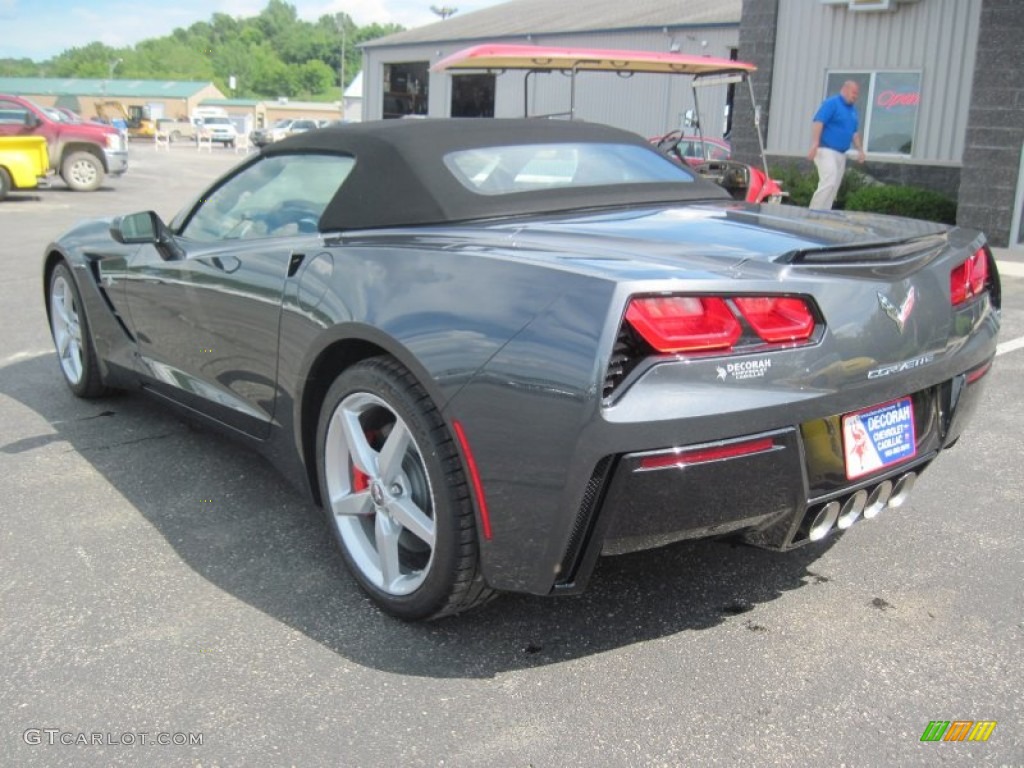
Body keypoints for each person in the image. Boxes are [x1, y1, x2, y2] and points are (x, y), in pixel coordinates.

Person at [807, 80, 866, 210]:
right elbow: (818, 122)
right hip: (825, 150)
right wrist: (815, 143)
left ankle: (824, 213)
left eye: (857, 94)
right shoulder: (832, 103)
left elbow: (854, 133)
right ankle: (813, 211)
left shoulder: (853, 111)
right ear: (845, 90)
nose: (855, 96)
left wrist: (860, 150)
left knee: (834, 187)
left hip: (841, 153)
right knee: (829, 181)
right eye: (853, 93)